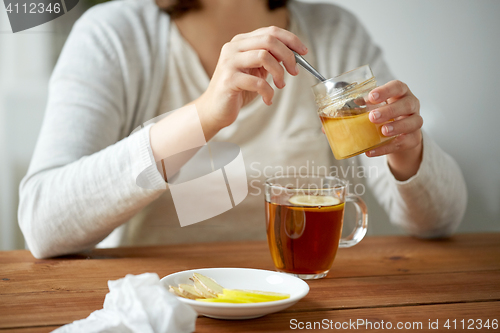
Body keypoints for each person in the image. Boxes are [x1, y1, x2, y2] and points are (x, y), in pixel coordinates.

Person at [18, 0, 467, 259]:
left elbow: (439, 221)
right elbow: (42, 223)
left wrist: (406, 149)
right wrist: (205, 115)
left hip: (304, 301)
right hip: (157, 305)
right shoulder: (114, 36)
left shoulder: (333, 31)